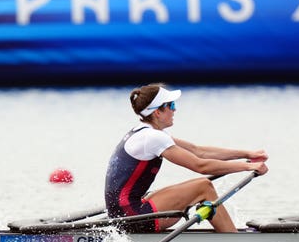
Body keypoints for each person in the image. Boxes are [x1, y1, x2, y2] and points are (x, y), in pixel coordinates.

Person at [105, 83, 268, 233]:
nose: (175, 110)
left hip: (123, 213)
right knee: (203, 186)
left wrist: (247, 154)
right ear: (157, 112)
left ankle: (227, 235)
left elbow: (199, 151)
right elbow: (200, 166)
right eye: (171, 105)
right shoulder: (153, 138)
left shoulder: (145, 133)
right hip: (132, 216)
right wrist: (247, 167)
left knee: (195, 186)